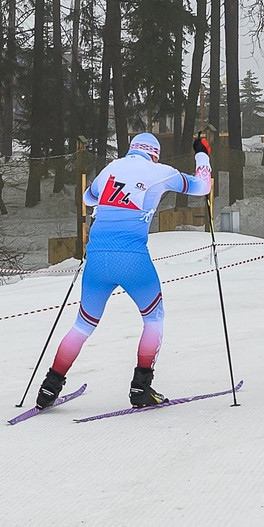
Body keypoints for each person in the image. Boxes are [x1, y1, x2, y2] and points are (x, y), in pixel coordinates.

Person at [35, 130, 214, 410]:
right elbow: (203, 186)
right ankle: (140, 387)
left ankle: (49, 387)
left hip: (97, 258)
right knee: (154, 319)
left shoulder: (111, 168)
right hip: (132, 258)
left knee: (82, 325)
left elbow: (88, 198)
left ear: (132, 149)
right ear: (154, 154)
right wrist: (201, 152)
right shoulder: (160, 171)